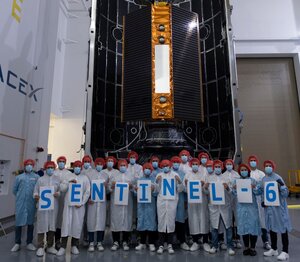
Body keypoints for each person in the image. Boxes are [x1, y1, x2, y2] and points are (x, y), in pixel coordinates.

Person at [56, 161, 90, 256]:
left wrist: (82, 202)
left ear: (81, 167)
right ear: (73, 167)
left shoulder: (85, 178)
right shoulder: (68, 177)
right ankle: (63, 246)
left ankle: (75, 245)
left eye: (79, 166)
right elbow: (62, 189)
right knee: (65, 225)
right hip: (68, 206)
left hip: (79, 207)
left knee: (77, 225)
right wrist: (68, 182)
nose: (77, 168)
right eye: (76, 166)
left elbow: (87, 192)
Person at [261, 160, 292, 261]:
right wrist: (263, 201)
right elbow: (262, 192)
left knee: (283, 228)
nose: (268, 167)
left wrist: (282, 186)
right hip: (269, 209)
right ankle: (274, 249)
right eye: (266, 166)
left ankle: (285, 251)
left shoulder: (278, 177)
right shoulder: (264, 179)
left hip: (279, 209)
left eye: (270, 166)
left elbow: (285, 194)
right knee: (272, 227)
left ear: (273, 167)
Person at [204, 160, 235, 256]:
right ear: (213, 168)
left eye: (219, 166)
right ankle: (214, 246)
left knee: (228, 227)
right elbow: (206, 193)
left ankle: (230, 246)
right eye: (215, 167)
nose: (217, 168)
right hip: (214, 207)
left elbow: (232, 193)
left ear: (222, 167)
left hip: (225, 206)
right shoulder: (209, 178)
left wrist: (227, 188)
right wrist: (205, 188)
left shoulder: (227, 178)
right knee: (214, 227)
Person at [232, 164, 261, 256]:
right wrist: (234, 189)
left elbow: (258, 192)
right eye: (241, 170)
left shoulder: (253, 181)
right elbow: (234, 193)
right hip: (241, 207)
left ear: (248, 171)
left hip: (252, 207)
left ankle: (252, 247)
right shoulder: (236, 181)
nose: (243, 171)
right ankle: (246, 247)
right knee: (243, 227)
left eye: (245, 169)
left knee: (253, 227)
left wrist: (254, 188)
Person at [11, 159, 39, 252]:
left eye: (31, 164)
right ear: (24, 166)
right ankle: (17, 243)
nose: (29, 166)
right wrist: (21, 197)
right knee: (18, 223)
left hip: (31, 203)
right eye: (27, 164)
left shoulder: (36, 177)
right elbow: (14, 190)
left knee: (30, 223)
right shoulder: (19, 177)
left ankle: (29, 243)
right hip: (21, 204)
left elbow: (38, 189)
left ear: (33, 166)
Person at [34, 161, 61, 256]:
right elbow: (35, 191)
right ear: (45, 168)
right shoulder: (40, 180)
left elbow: (60, 191)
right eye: (48, 167)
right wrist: (36, 196)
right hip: (43, 207)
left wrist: (58, 193)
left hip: (54, 207)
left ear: (54, 168)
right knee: (42, 225)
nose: (50, 169)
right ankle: (40, 247)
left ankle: (50, 246)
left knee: (52, 226)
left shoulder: (57, 179)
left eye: (52, 167)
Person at [156, 159, 182, 254]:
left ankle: (170, 244)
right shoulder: (159, 175)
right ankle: (161, 245)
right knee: (161, 222)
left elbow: (180, 189)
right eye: (164, 165)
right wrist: (157, 182)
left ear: (170, 166)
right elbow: (156, 190)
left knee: (171, 223)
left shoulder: (175, 175)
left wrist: (179, 181)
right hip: (161, 202)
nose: (165, 167)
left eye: (167, 165)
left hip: (172, 203)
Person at [183, 158, 210, 252]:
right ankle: (195, 242)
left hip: (202, 201)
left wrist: (204, 186)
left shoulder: (204, 174)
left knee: (204, 219)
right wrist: (186, 185)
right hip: (192, 203)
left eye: (196, 164)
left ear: (198, 165)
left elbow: (207, 191)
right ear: (191, 165)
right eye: (193, 164)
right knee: (193, 220)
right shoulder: (187, 175)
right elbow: (184, 190)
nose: (195, 165)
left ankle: (205, 241)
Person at [108, 159, 135, 251]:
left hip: (127, 203)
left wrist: (132, 187)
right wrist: (112, 186)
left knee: (126, 221)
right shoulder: (114, 175)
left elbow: (135, 189)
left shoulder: (131, 176)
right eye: (121, 165)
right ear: (118, 166)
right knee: (116, 220)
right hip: (116, 203)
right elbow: (108, 188)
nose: (122, 167)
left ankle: (125, 241)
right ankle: (115, 241)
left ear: (127, 166)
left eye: (124, 165)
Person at [248, 155, 271, 250]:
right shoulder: (246, 173)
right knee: (251, 222)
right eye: (251, 160)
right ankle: (251, 244)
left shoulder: (261, 174)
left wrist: (264, 200)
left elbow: (264, 187)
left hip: (259, 200)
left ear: (257, 162)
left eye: (254, 160)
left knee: (263, 222)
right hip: (250, 201)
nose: (253, 162)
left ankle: (266, 241)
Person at [134, 163, 158, 252]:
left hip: (151, 205)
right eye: (146, 168)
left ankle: (151, 243)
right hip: (142, 206)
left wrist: (153, 190)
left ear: (151, 170)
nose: (147, 169)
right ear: (143, 169)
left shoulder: (154, 180)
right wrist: (136, 190)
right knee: (142, 223)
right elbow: (135, 194)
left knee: (151, 223)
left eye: (149, 168)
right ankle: (142, 243)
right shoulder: (139, 180)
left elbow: (156, 194)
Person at [86, 158, 108, 252]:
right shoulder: (89, 175)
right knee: (91, 221)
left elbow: (108, 191)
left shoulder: (105, 175)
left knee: (101, 222)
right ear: (95, 164)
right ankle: (91, 242)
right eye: (97, 163)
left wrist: (106, 187)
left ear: (103, 165)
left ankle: (99, 242)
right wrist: (88, 198)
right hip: (92, 202)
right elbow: (86, 189)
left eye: (101, 164)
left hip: (102, 202)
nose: (99, 165)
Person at [53, 156, 72, 250]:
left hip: (64, 201)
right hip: (53, 200)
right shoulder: (53, 172)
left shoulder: (69, 174)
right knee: (53, 221)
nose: (61, 163)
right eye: (60, 161)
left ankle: (59, 241)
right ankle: (50, 242)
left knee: (62, 221)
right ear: (57, 162)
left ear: (65, 163)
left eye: (63, 161)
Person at [171, 156, 189, 251]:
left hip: (181, 201)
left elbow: (186, 189)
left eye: (177, 162)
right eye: (174, 162)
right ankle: (170, 241)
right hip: (170, 201)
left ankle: (182, 241)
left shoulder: (183, 174)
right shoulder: (168, 173)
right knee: (170, 220)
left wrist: (185, 201)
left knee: (181, 221)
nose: (175, 164)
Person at [223, 159, 242, 249]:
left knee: (237, 220)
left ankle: (237, 239)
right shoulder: (223, 176)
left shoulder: (237, 175)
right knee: (229, 221)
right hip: (227, 201)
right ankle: (230, 240)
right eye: (227, 164)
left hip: (236, 200)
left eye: (230, 164)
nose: (229, 165)